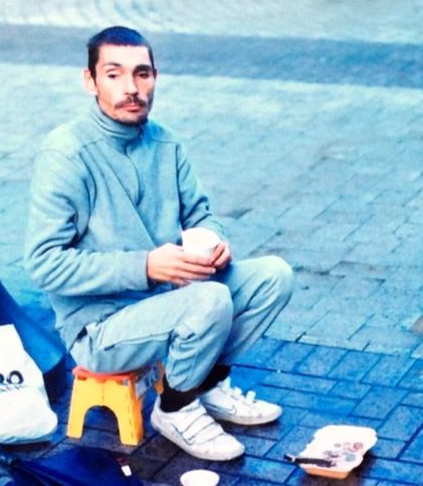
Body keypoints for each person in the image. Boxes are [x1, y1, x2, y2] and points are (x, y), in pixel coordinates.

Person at [24, 26, 293, 461]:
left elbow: (201, 214)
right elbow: (43, 264)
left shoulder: (166, 142)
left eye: (142, 74)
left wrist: (216, 242)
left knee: (274, 276)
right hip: (101, 325)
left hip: (171, 296)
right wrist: (146, 266)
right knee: (209, 301)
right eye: (114, 74)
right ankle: (175, 408)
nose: (131, 88)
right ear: (90, 81)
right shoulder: (66, 153)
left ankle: (204, 383)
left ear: (155, 77)